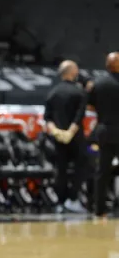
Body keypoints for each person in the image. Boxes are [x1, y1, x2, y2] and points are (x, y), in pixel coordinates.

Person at [44, 60, 88, 213]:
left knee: (60, 169)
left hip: (58, 137)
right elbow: (79, 115)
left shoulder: (52, 93)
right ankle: (73, 198)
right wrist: (70, 131)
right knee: (81, 166)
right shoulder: (79, 92)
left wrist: (56, 131)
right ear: (71, 72)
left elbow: (47, 117)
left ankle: (60, 202)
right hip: (75, 137)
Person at [88, 52, 119, 218]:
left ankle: (99, 209)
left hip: (104, 130)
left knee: (102, 171)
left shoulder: (97, 83)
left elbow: (90, 106)